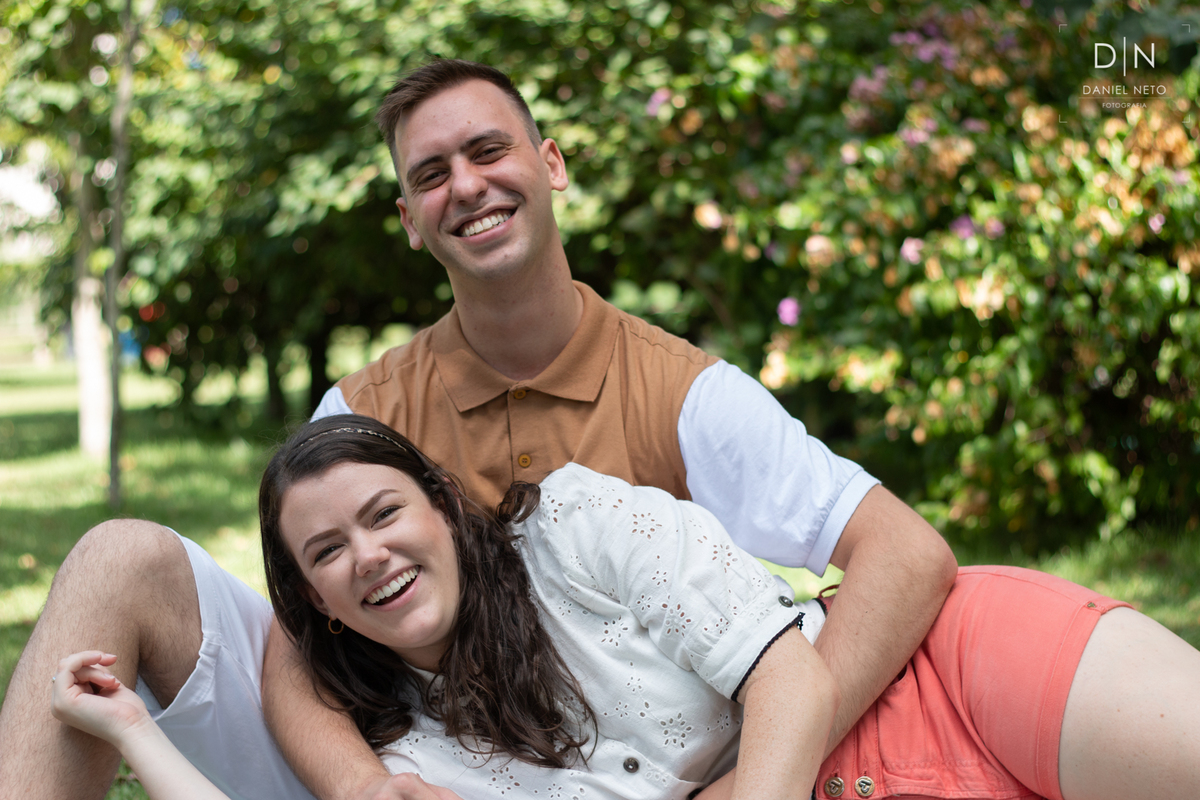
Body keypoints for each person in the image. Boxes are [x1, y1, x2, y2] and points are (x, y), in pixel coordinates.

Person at [0, 59, 955, 800]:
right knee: (117, 557)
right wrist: (361, 783)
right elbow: (297, 646)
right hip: (391, 761)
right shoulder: (365, 412)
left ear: (550, 165)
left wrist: (764, 764)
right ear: (410, 218)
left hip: (624, 766)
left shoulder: (684, 393)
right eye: (431, 173)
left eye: (489, 151)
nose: (466, 184)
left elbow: (905, 555)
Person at [50, 416, 1200, 800]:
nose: (371, 556)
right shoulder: (420, 757)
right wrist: (137, 733)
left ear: (443, 506)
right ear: (314, 603)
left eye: (383, 512)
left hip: (946, 681)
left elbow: (783, 669)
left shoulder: (579, 524)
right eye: (326, 553)